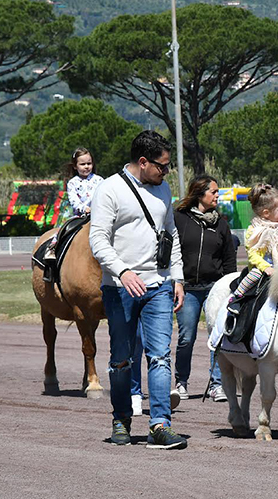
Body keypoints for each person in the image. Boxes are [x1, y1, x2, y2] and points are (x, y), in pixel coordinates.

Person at [89, 130, 187, 449]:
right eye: (162, 166)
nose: (166, 172)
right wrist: (123, 271)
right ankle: (121, 419)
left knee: (159, 357)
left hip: (158, 286)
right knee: (121, 359)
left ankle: (160, 425)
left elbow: (169, 234)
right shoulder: (109, 189)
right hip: (119, 289)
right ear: (143, 162)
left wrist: (178, 278)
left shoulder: (164, 189)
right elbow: (98, 239)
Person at [168, 175, 236, 403]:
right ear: (200, 193)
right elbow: (171, 252)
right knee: (186, 336)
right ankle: (181, 383)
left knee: (217, 336)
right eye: (214, 192)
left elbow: (229, 260)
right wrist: (175, 281)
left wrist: (229, 289)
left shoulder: (222, 224)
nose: (218, 195)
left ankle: (218, 384)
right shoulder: (179, 218)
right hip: (187, 288)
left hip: (215, 289)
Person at [224, 184, 278, 329]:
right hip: (261, 267)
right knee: (254, 275)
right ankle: (237, 298)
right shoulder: (253, 231)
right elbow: (252, 254)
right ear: (266, 213)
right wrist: (265, 267)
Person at [45, 148, 104, 261]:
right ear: (75, 166)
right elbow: (73, 201)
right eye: (82, 164)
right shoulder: (73, 183)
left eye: (89, 163)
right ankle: (52, 248)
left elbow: (104, 195)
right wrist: (84, 208)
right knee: (64, 228)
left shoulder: (99, 180)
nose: (86, 166)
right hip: (80, 216)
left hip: (98, 213)